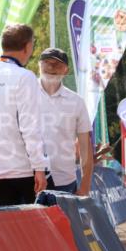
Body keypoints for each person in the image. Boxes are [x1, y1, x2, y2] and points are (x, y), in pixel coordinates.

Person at [0, 23, 48, 205]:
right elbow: (29, 126)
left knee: (6, 225)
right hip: (21, 168)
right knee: (28, 228)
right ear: (27, 46)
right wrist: (39, 167)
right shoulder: (25, 77)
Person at [37, 48, 93, 195]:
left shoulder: (77, 102)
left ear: (66, 70)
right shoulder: (24, 95)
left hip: (64, 181)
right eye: (47, 63)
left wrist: (85, 188)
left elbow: (85, 148)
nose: (51, 67)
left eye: (57, 65)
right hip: (29, 180)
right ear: (39, 65)